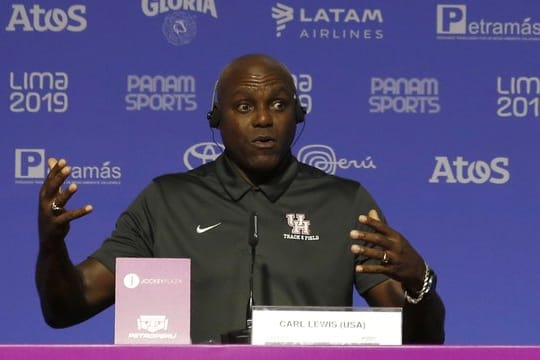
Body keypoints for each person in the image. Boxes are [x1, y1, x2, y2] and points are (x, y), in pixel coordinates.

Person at [36, 54, 445, 344]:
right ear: (218, 119)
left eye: (279, 104)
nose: (264, 118)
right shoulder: (167, 201)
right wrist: (52, 247)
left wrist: (419, 282)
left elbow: (420, 342)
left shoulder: (344, 202)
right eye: (245, 106)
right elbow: (68, 308)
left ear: (298, 116)